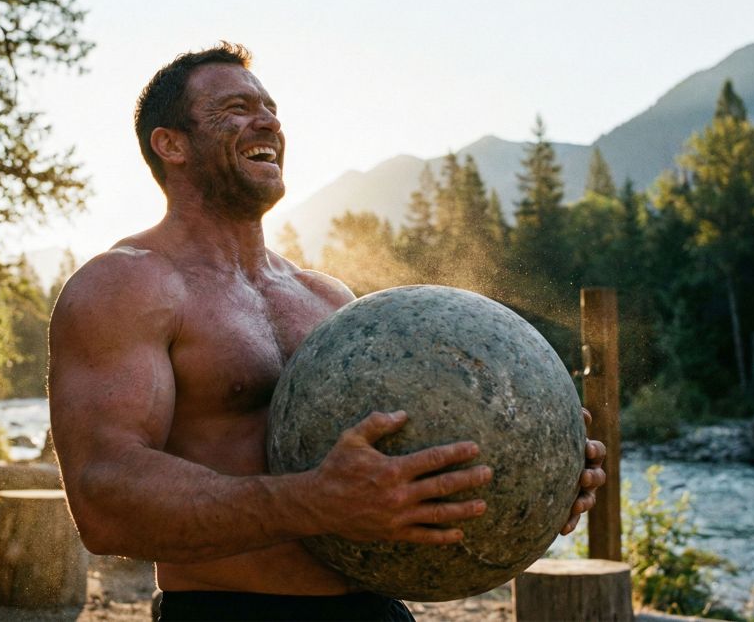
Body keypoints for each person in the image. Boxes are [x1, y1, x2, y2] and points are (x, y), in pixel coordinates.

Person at [48, 42, 607, 622]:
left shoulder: (327, 300)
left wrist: (532, 472)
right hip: (230, 611)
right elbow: (103, 495)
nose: (268, 121)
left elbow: (395, 462)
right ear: (171, 143)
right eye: (236, 109)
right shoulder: (126, 285)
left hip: (378, 610)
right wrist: (311, 503)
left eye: (270, 108)